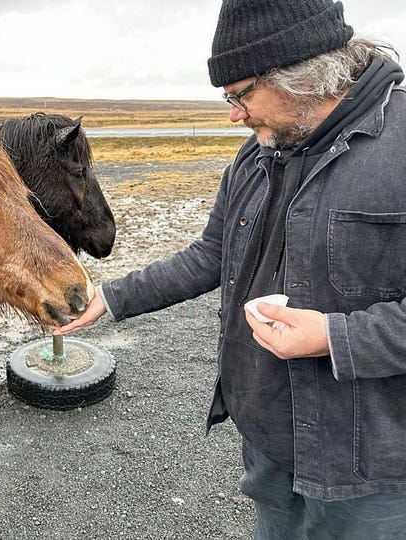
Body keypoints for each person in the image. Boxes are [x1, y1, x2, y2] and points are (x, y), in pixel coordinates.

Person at [53, 1, 406, 538]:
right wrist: (114, 296)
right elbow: (212, 253)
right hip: (268, 439)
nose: (233, 115)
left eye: (241, 96)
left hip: (370, 466)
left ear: (305, 75)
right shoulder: (257, 153)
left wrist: (335, 336)